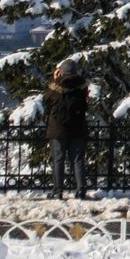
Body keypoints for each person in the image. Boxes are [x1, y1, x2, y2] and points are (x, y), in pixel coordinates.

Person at [43, 59, 91, 200]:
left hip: (58, 129)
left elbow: (46, 100)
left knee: (58, 159)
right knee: (78, 159)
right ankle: (80, 190)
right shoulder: (82, 87)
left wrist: (56, 78)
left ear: (61, 71)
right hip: (77, 128)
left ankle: (58, 191)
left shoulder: (55, 87)